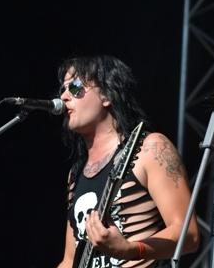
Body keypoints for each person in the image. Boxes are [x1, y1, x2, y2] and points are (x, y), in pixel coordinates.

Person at [55, 55, 199, 268]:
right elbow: (69, 260)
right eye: (63, 89)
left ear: (106, 95)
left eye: (75, 87)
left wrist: (131, 250)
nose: (64, 96)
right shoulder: (75, 174)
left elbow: (189, 234)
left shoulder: (150, 149)